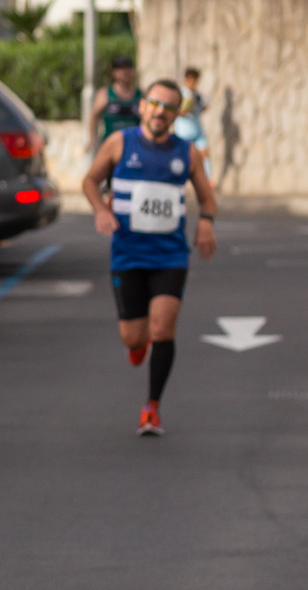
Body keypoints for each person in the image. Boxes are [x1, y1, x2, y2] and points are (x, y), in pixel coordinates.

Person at [83, 79, 217, 436]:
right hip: (127, 254)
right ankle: (136, 346)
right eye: (155, 104)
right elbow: (90, 181)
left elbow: (207, 197)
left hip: (170, 256)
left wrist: (206, 222)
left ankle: (152, 408)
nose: (161, 112)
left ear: (177, 115)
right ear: (143, 106)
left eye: (169, 108)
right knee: (133, 337)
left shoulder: (187, 153)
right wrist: (100, 210)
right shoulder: (119, 143)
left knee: (162, 329)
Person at [89, 54, 141, 145]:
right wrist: (93, 139)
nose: (125, 72)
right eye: (121, 69)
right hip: (111, 144)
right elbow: (94, 117)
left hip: (134, 144)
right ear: (114, 72)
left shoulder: (141, 95)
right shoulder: (105, 94)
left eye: (128, 68)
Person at [174, 66, 211, 178]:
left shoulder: (198, 95)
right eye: (190, 79)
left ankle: (207, 180)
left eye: (195, 79)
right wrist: (184, 109)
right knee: (183, 156)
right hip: (184, 131)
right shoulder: (182, 93)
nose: (193, 82)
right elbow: (177, 111)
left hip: (197, 129)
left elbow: (202, 108)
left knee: (204, 154)